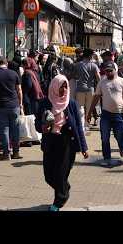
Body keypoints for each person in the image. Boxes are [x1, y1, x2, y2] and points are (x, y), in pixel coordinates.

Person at [35, 74, 88, 211]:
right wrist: (42, 127)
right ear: (54, 87)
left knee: (60, 174)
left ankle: (58, 201)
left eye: (66, 87)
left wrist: (84, 147)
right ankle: (64, 187)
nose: (63, 90)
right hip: (50, 142)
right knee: (49, 176)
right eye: (61, 87)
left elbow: (78, 127)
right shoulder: (45, 103)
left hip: (66, 143)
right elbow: (37, 124)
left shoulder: (71, 104)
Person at [87, 62, 123, 166]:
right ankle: (107, 157)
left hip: (119, 114)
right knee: (104, 137)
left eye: (110, 70)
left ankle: (121, 148)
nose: (108, 73)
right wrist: (90, 112)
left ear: (115, 70)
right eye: (106, 71)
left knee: (119, 136)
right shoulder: (102, 82)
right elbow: (96, 98)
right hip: (106, 115)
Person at [0, 56, 23, 160]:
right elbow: (19, 90)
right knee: (15, 129)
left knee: (4, 129)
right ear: (6, 63)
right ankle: (16, 152)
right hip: (14, 105)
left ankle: (6, 153)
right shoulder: (14, 74)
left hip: (1, 106)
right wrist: (20, 104)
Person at [75, 48, 101, 128]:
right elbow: (98, 78)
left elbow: (74, 76)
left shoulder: (78, 64)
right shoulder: (94, 65)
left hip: (80, 89)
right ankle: (86, 124)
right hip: (90, 89)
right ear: (90, 56)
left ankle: (81, 125)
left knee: (80, 108)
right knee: (89, 109)